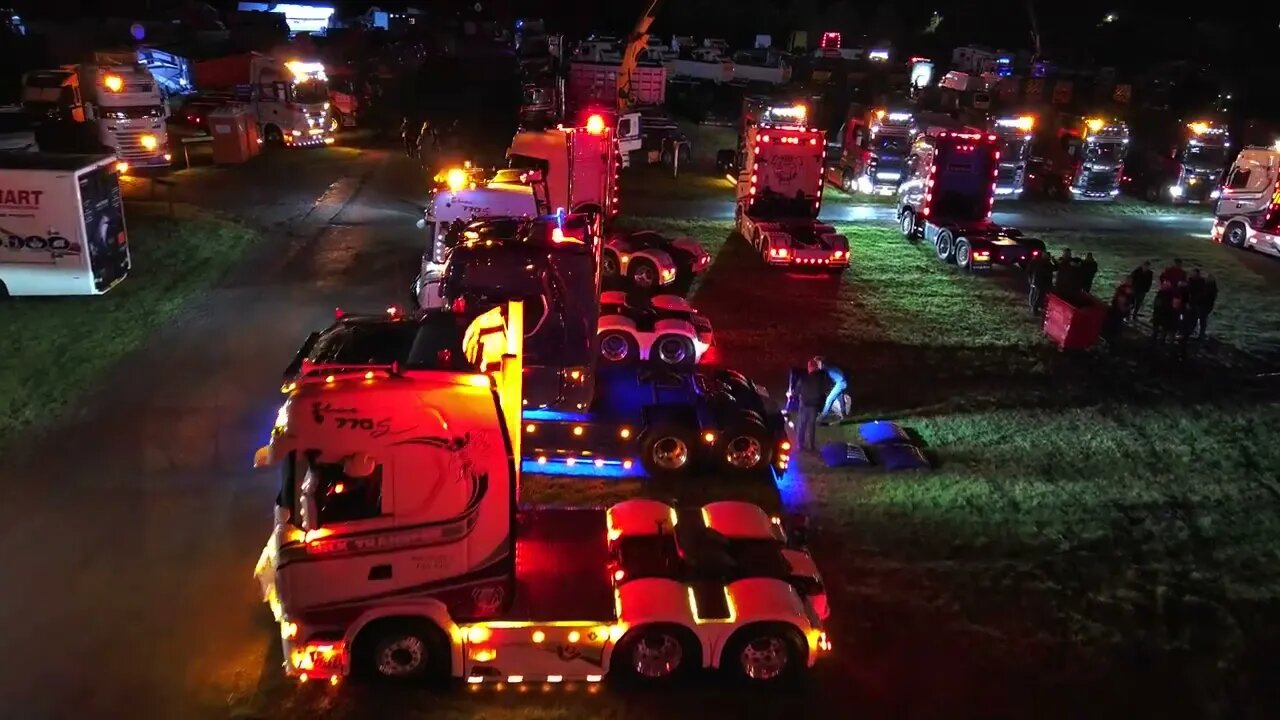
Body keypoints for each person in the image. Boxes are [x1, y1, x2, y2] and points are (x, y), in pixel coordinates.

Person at [794, 360, 827, 451]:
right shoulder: (821, 379)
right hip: (814, 406)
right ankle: (811, 445)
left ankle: (800, 444)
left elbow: (796, 392)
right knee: (811, 425)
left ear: (809, 368)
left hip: (804, 404)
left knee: (802, 424)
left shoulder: (803, 379)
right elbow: (822, 393)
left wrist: (792, 394)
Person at [812, 356, 849, 423]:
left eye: (817, 363)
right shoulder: (828, 366)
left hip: (841, 382)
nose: (817, 365)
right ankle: (844, 415)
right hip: (841, 382)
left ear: (821, 362)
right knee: (840, 398)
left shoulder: (827, 367)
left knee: (829, 399)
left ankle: (822, 417)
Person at [1190, 271, 1218, 339]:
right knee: (1202, 320)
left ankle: (1196, 333)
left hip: (1202, 305)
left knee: (1197, 319)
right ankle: (1200, 333)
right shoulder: (1212, 288)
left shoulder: (1208, 287)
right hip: (1205, 306)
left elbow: (1204, 296)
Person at [1027, 250, 1054, 315]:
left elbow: (1029, 270)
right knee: (1038, 296)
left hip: (1036, 281)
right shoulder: (1045, 263)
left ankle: (1033, 307)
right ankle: (1034, 309)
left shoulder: (1037, 261)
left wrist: (1031, 279)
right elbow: (1047, 273)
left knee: (1035, 295)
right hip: (1040, 282)